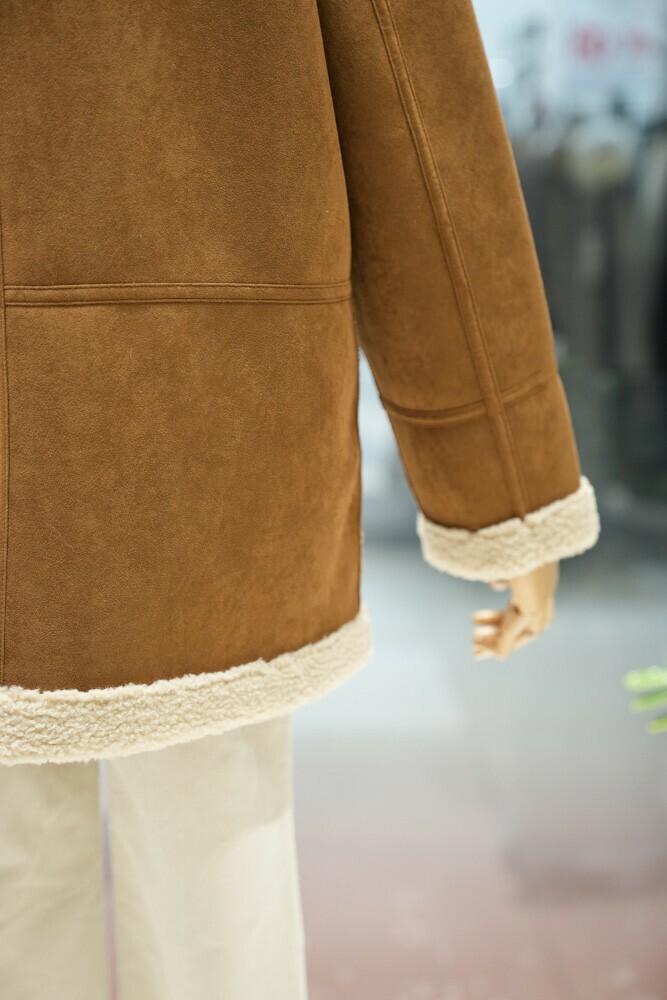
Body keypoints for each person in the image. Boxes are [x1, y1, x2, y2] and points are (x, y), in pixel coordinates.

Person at [0, 0, 601, 996]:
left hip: (197, 453)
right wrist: (506, 486)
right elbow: (420, 118)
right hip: (210, 447)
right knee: (215, 910)